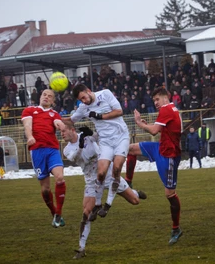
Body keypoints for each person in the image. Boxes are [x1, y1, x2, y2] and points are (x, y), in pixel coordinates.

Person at [61, 124, 146, 259]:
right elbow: (76, 157)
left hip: (108, 173)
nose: (62, 134)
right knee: (86, 213)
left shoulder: (87, 138)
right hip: (91, 180)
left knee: (135, 201)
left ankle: (135, 193)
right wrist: (81, 146)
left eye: (64, 130)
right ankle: (81, 247)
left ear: (72, 130)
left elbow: (100, 136)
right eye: (60, 131)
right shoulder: (67, 149)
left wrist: (91, 133)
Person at [125, 87, 183, 245]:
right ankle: (128, 182)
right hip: (160, 148)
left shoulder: (166, 109)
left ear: (166, 97)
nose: (156, 103)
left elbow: (154, 131)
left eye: (157, 99)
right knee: (130, 149)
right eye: (154, 100)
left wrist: (140, 124)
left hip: (169, 156)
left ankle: (176, 228)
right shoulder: (170, 109)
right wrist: (147, 124)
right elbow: (160, 129)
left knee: (170, 194)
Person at [63, 84, 130, 217]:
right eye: (81, 100)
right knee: (101, 173)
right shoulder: (83, 108)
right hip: (105, 141)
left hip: (121, 136)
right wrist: (53, 119)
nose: (84, 101)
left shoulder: (105, 93)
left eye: (84, 97)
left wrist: (100, 116)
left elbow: (119, 111)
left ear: (88, 91)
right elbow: (71, 120)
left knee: (116, 169)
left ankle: (108, 204)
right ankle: (99, 205)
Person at [21, 89, 67, 228]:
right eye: (44, 95)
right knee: (46, 189)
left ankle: (58, 213)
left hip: (52, 149)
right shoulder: (30, 110)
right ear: (40, 97)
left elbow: (58, 122)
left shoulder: (54, 114)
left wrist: (61, 126)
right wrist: (30, 137)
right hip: (37, 151)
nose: (46, 97)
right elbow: (27, 125)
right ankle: (53, 212)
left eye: (50, 96)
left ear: (53, 101)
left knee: (60, 178)